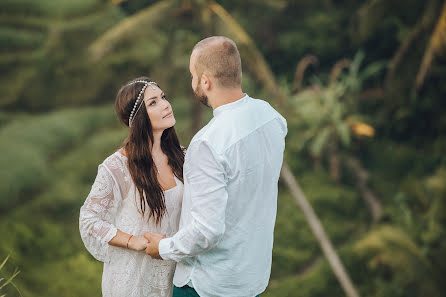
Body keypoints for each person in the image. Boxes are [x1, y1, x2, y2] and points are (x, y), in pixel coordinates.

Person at [144, 36, 287, 297]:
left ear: (205, 80)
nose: (193, 82)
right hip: (250, 280)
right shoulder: (271, 117)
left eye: (193, 76)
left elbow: (206, 231)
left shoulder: (208, 143)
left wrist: (163, 248)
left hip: (207, 286)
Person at [79, 77, 185, 297]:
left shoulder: (182, 157)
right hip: (131, 280)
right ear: (138, 118)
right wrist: (132, 241)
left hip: (174, 275)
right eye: (153, 102)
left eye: (163, 97)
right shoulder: (117, 167)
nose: (166, 104)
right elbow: (89, 220)